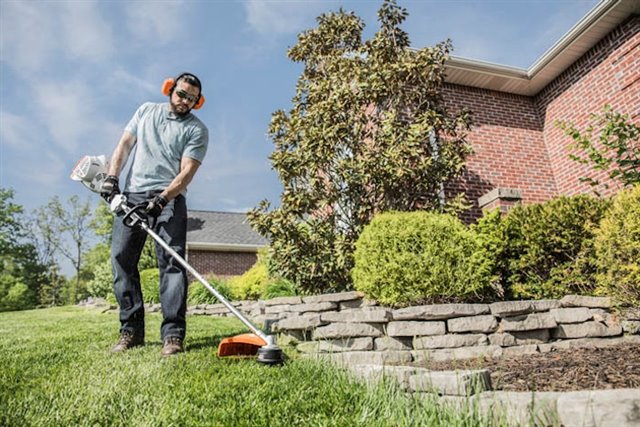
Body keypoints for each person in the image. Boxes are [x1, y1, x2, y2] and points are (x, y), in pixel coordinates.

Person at [100, 72, 209, 357]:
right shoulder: (146, 111)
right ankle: (131, 331)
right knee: (122, 259)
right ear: (170, 89)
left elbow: (187, 172)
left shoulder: (197, 130)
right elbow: (124, 145)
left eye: (191, 99)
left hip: (170, 198)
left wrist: (163, 199)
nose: (184, 101)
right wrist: (113, 177)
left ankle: (172, 335)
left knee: (171, 262)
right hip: (133, 196)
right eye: (181, 94)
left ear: (198, 103)